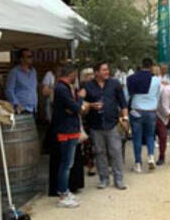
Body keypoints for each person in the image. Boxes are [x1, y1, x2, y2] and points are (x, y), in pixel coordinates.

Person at [82, 62, 129, 190]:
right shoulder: (87, 86)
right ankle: (103, 179)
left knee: (116, 152)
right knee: (99, 152)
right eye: (104, 70)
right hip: (95, 125)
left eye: (107, 69)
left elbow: (123, 103)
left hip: (112, 123)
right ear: (96, 72)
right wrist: (89, 105)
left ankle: (119, 179)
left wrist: (125, 119)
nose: (107, 72)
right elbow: (80, 101)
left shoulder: (115, 84)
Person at [51, 63, 90, 209]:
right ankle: (63, 194)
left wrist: (76, 104)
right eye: (75, 74)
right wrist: (79, 100)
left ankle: (65, 191)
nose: (76, 78)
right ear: (71, 74)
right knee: (66, 164)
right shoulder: (62, 88)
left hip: (71, 129)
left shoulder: (66, 88)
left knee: (68, 163)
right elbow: (76, 107)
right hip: (66, 131)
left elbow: (73, 107)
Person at [127, 57, 161, 173]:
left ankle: (138, 163)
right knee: (150, 136)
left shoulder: (131, 78)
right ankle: (151, 156)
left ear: (141, 65)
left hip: (137, 110)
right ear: (151, 67)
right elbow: (157, 96)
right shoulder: (156, 80)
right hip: (151, 110)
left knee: (137, 138)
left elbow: (129, 95)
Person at [5, 49, 37, 115]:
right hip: (22, 108)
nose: (31, 58)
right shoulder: (14, 72)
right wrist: (16, 104)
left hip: (33, 108)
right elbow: (9, 90)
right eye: (29, 56)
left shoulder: (33, 71)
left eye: (32, 56)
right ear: (21, 59)